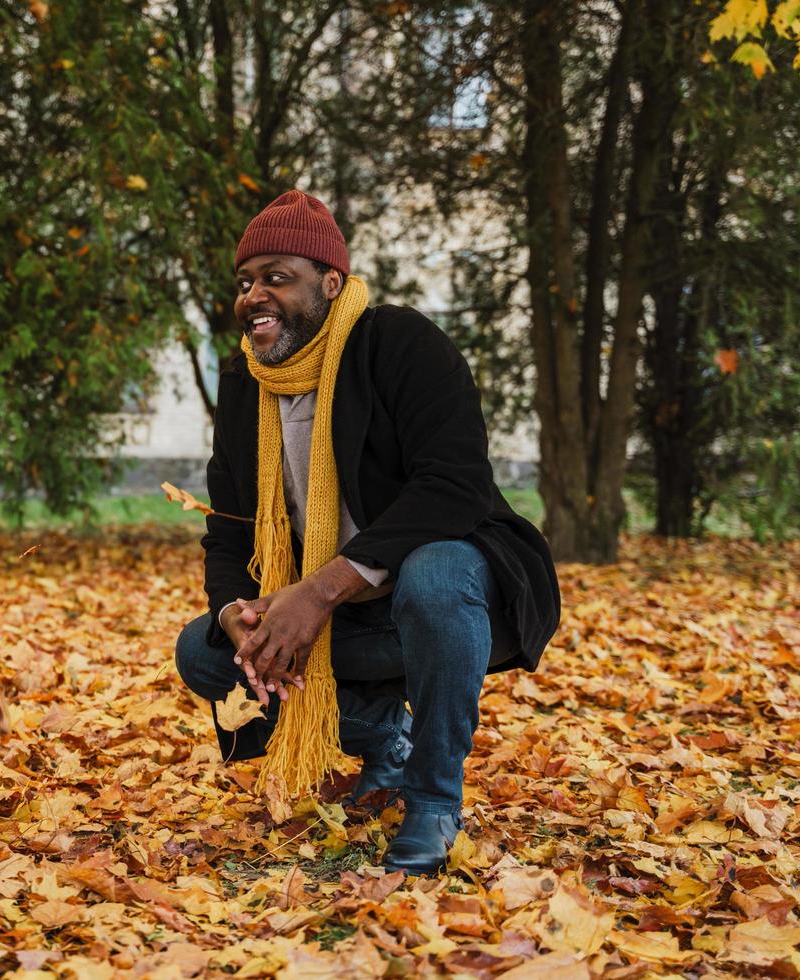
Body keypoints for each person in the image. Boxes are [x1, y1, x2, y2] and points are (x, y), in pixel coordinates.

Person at [173, 190, 560, 875]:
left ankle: (433, 798)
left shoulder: (399, 344)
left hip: (446, 605)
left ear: (331, 282)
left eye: (277, 277)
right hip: (347, 630)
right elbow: (230, 533)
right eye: (245, 281)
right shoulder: (245, 384)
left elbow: (454, 484)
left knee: (436, 572)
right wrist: (239, 613)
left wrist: (318, 591)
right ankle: (388, 733)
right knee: (205, 656)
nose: (254, 294)